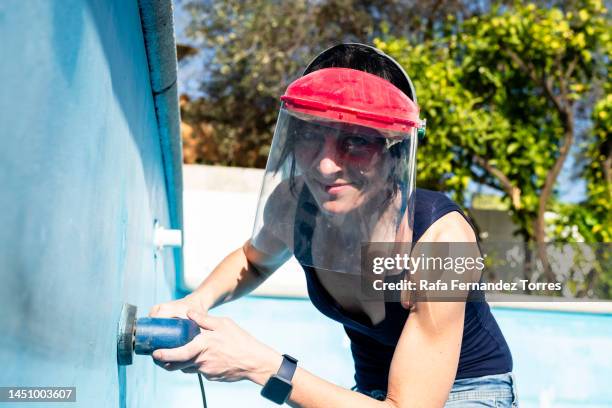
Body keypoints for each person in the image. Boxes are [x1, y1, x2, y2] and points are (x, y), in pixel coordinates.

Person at [149, 43, 519, 407]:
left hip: (469, 393)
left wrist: (259, 365)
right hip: (370, 394)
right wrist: (195, 303)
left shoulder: (442, 241)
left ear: (396, 151)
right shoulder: (294, 206)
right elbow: (254, 261)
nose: (326, 166)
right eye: (310, 135)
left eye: (355, 141)